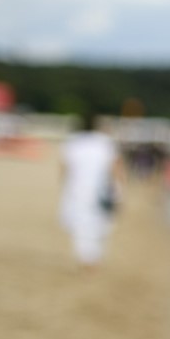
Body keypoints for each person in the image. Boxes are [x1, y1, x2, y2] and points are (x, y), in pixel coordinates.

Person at [57, 113, 120, 266]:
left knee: (81, 224)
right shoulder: (105, 143)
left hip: (77, 189)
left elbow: (64, 168)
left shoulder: (73, 142)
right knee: (98, 224)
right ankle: (92, 257)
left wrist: (65, 185)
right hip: (101, 189)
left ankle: (86, 257)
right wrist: (118, 189)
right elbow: (116, 167)